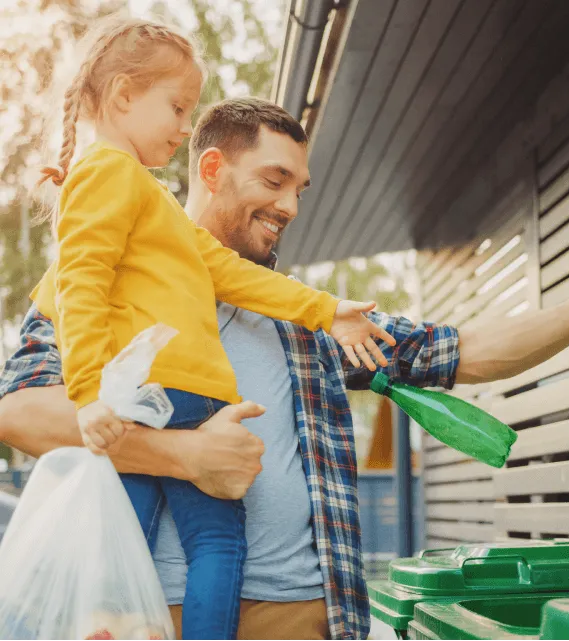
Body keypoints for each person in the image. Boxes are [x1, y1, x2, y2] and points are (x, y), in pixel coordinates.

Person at [1, 97, 569, 640]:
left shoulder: (310, 319)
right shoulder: (99, 280)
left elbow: (467, 350)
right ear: (210, 170)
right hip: (154, 617)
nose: (290, 206)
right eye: (274, 181)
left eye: (300, 189)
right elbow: (21, 413)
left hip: (305, 615)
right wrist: (183, 456)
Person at [30, 16, 396, 641]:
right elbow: (80, 286)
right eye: (176, 108)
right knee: (211, 544)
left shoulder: (150, 201)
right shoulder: (108, 174)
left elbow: (229, 272)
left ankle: (112, 621)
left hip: (177, 400)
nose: (182, 126)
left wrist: (324, 310)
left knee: (136, 534)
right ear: (122, 96)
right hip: (161, 399)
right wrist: (89, 393)